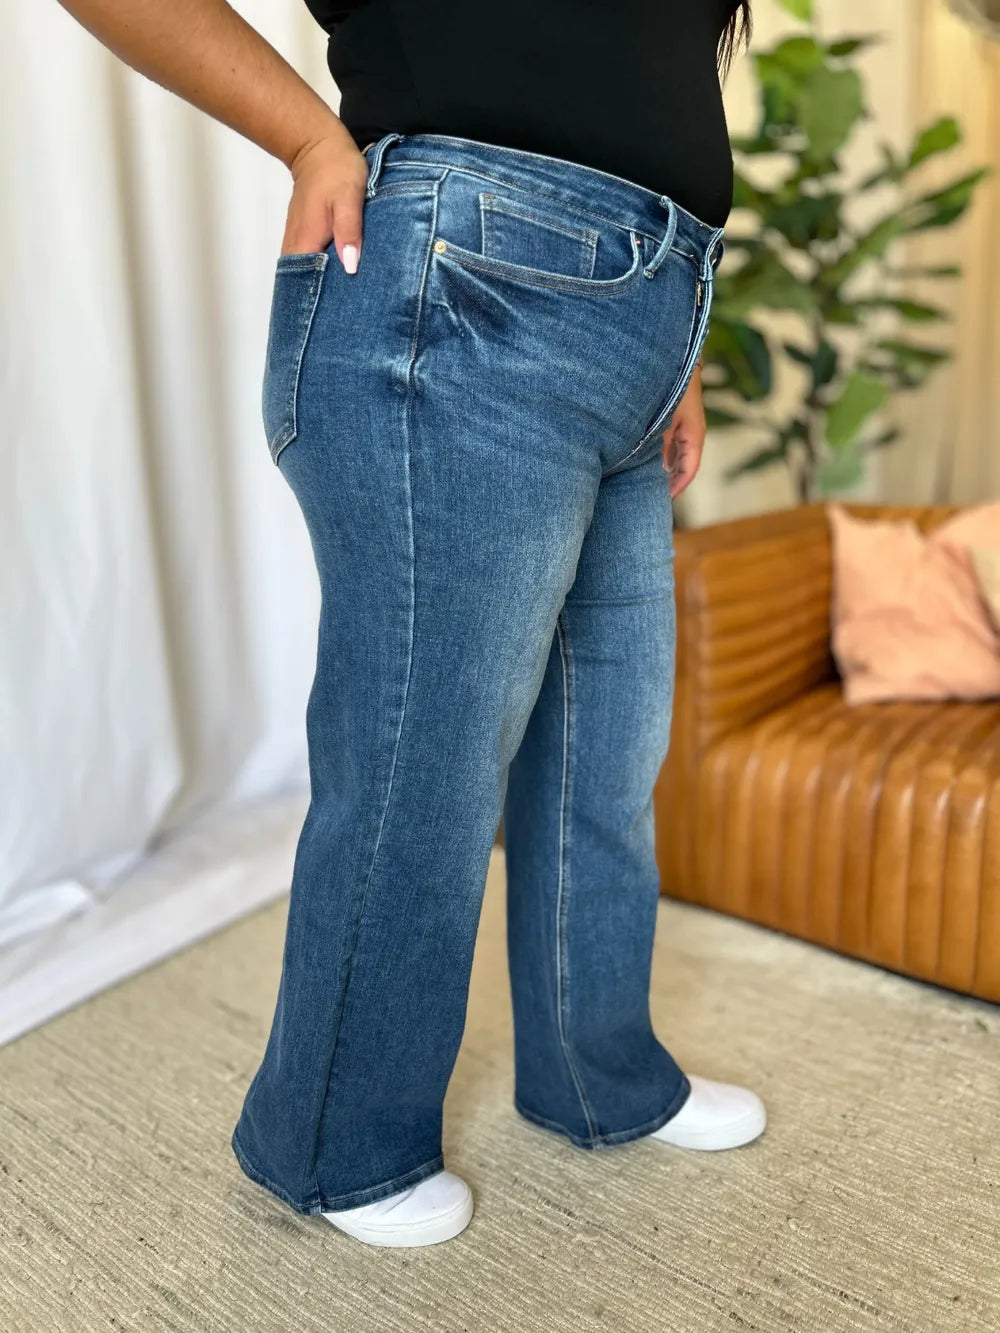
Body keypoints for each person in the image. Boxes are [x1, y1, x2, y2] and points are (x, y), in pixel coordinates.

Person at [59, 0, 764, 1249]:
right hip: (464, 281)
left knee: (603, 754)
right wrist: (306, 139)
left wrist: (670, 351)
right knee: (423, 756)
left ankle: (599, 1076)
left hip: (648, 312)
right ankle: (334, 1143)